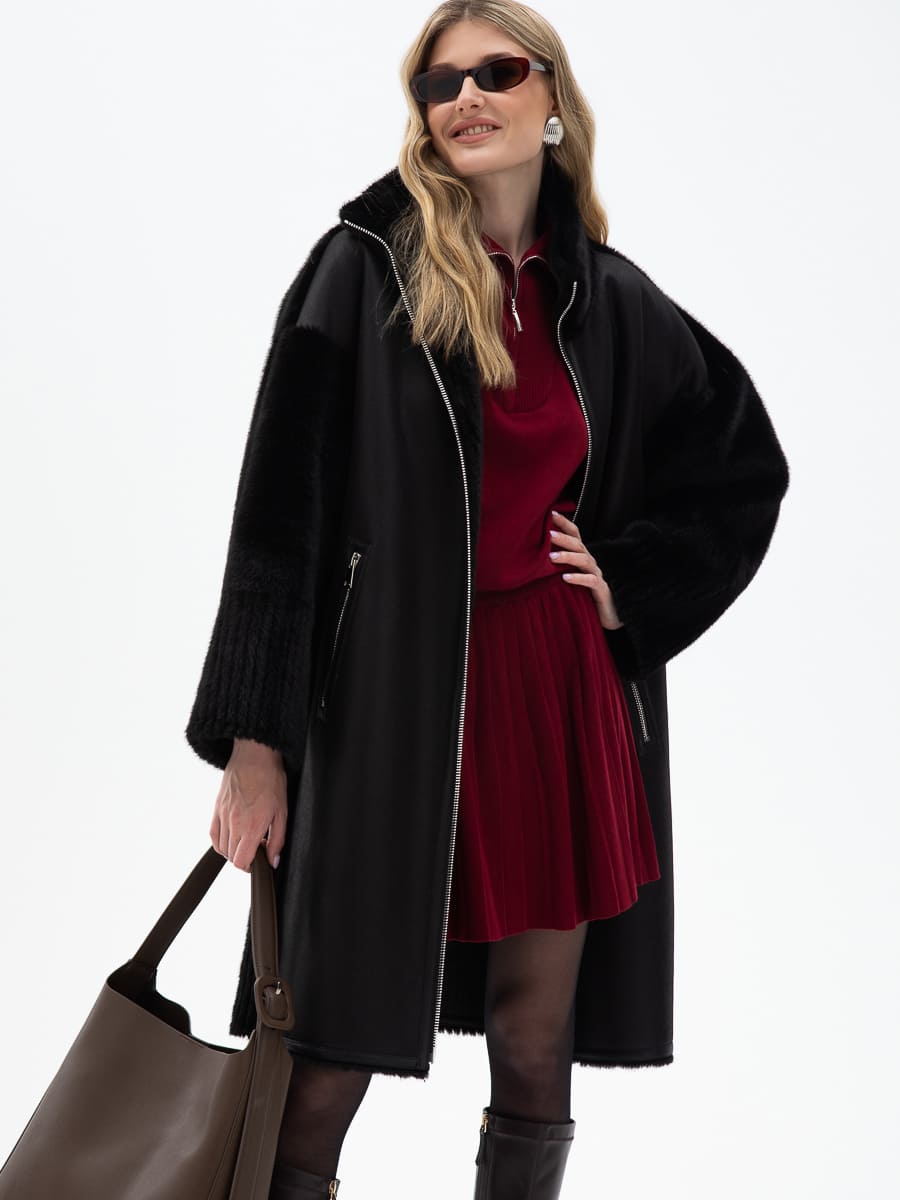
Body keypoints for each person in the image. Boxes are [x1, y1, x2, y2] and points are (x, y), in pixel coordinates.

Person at [186, 2, 790, 1197]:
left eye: (496, 73)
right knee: (325, 1054)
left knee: (533, 1038)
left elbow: (742, 463)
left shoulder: (601, 293)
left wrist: (633, 584)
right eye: (439, 82)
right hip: (388, 705)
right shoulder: (364, 267)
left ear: (550, 97)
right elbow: (276, 514)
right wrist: (257, 740)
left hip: (556, 696)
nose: (465, 98)